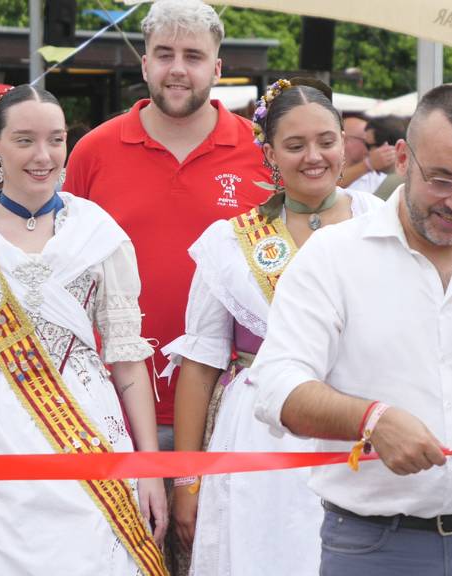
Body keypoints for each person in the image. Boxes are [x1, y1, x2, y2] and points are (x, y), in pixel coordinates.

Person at [250, 84, 452, 576]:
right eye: (441, 181)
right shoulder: (333, 257)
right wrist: (372, 420)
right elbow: (276, 387)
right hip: (374, 544)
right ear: (402, 158)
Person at [164, 78, 383, 575]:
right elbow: (199, 366)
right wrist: (187, 480)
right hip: (260, 431)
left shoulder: (382, 223)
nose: (314, 156)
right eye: (295, 145)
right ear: (268, 153)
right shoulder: (230, 243)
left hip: (358, 419)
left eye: (327, 141)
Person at [64, 0, 271, 454]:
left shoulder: (260, 156)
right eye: (164, 54)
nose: (177, 69)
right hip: (113, 403)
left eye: (193, 57)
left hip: (230, 404)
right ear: (144, 63)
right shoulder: (93, 152)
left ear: (217, 68)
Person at [0, 85, 167, 574]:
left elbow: (128, 357)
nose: (44, 155)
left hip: (89, 427)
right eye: (25, 140)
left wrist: (148, 465)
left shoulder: (97, 231)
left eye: (56, 138)